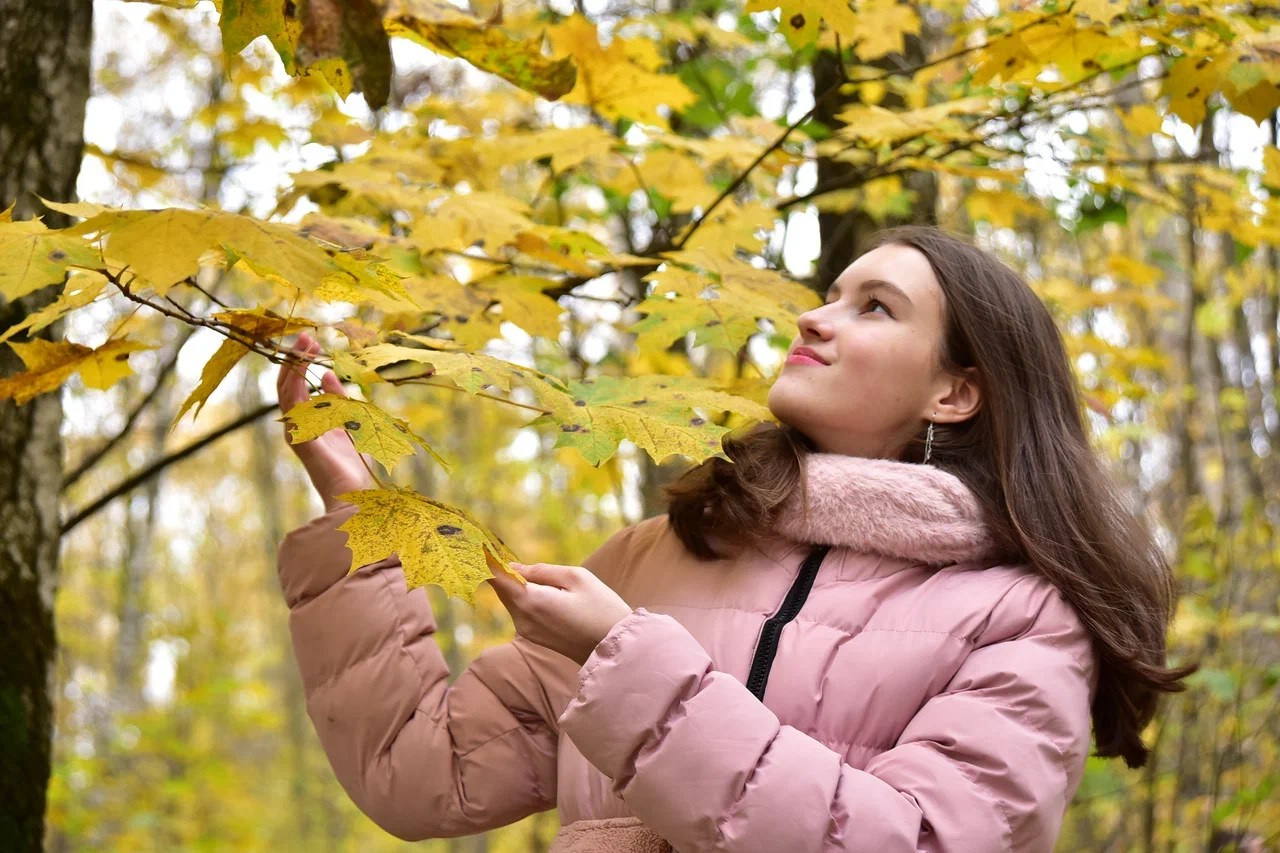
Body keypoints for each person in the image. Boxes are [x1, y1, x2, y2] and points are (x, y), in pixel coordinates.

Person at [274, 225, 1192, 852]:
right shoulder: (656, 555)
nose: (813, 316)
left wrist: (628, 664)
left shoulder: (1019, 617)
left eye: (875, 306)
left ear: (955, 391)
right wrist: (357, 501)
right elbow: (417, 769)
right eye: (831, 294)